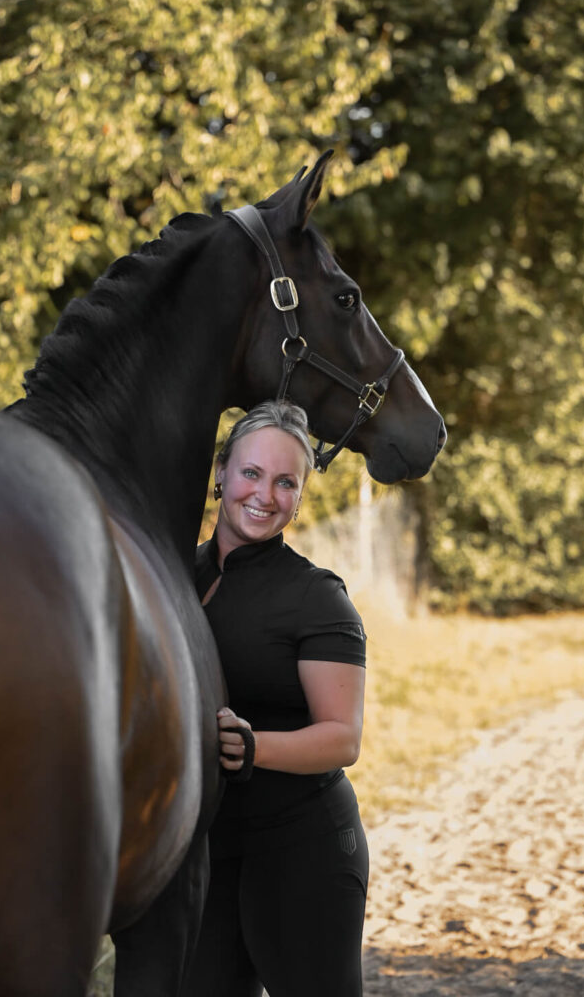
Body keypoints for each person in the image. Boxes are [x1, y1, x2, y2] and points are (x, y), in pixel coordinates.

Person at [184, 400, 369, 997]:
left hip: (303, 850)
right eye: (251, 473)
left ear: (300, 495)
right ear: (220, 472)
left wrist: (253, 746)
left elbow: (342, 738)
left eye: (286, 482)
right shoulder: (175, 576)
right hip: (204, 854)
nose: (265, 495)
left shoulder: (317, 597)